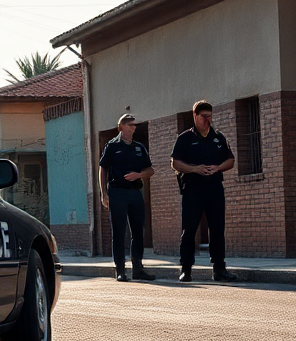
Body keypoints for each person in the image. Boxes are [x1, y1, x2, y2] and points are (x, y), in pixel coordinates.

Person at [171, 100, 235, 282]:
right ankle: (186, 269)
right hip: (193, 189)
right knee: (189, 229)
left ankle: (219, 269)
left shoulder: (218, 137)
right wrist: (194, 169)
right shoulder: (185, 138)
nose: (207, 120)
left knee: (217, 228)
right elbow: (175, 163)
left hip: (214, 188)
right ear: (195, 116)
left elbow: (231, 160)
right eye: (203, 117)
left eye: (210, 116)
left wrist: (218, 167)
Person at [99, 113, 156, 281]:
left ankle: (138, 268)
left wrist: (138, 175)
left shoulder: (139, 147)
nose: (134, 127)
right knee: (119, 231)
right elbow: (103, 169)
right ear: (121, 127)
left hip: (135, 192)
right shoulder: (112, 146)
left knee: (138, 231)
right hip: (117, 192)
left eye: (134, 125)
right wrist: (104, 193)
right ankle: (120, 270)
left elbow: (150, 170)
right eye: (130, 124)